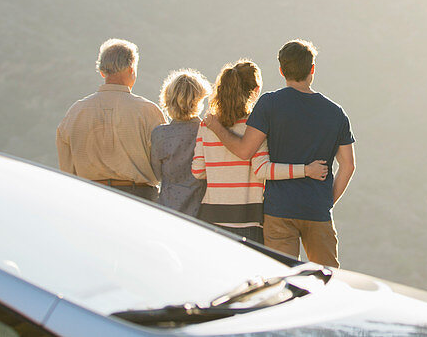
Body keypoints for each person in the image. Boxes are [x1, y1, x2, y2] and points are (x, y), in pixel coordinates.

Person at [205, 40, 355, 266]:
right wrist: (326, 201)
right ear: (312, 69)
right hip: (317, 210)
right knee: (327, 279)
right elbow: (348, 165)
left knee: (281, 277)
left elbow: (245, 151)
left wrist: (216, 128)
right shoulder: (336, 113)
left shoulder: (270, 103)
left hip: (279, 210)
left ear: (281, 70)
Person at [193, 59, 328, 243]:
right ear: (255, 90)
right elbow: (262, 170)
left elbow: (198, 171)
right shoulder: (256, 126)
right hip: (247, 219)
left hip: (209, 217)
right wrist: (305, 170)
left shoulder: (207, 124)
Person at [56, 38, 165, 201]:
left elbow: (66, 166)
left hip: (88, 196)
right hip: (139, 198)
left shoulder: (76, 112)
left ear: (102, 72)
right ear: (131, 69)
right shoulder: (148, 111)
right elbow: (164, 160)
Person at [149, 68, 209, 216]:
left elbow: (156, 176)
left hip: (168, 211)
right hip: (200, 214)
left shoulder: (160, 135)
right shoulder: (208, 132)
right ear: (199, 100)